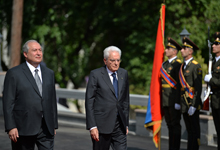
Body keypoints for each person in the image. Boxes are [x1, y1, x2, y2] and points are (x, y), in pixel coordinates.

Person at [2, 40, 58, 150]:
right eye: (34, 50)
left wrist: (53, 124)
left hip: (46, 128)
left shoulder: (49, 73)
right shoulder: (14, 73)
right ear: (25, 54)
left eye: (40, 50)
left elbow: (51, 100)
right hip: (23, 127)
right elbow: (8, 102)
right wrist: (11, 126)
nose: (38, 53)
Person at [85, 46, 130, 150]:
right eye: (113, 60)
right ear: (105, 61)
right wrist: (92, 126)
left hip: (120, 125)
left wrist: (126, 123)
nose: (116, 63)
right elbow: (89, 101)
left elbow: (125, 100)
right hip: (101, 125)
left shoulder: (123, 73)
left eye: (118, 60)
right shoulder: (95, 75)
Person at [179, 37, 202, 150]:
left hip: (191, 102)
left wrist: (194, 105)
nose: (182, 50)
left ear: (190, 51)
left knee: (194, 130)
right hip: (184, 102)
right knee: (189, 131)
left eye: (184, 48)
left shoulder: (195, 65)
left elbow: (198, 88)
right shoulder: (183, 66)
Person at [161, 37, 182, 150]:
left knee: (175, 125)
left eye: (168, 48)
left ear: (174, 51)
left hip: (173, 100)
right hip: (165, 99)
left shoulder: (177, 65)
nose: (166, 50)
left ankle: (175, 148)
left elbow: (179, 85)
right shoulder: (164, 65)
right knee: (169, 125)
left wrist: (178, 101)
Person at [204, 32, 220, 150]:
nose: (213, 46)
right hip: (215, 102)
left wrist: (211, 80)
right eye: (213, 43)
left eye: (216, 43)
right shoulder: (213, 62)